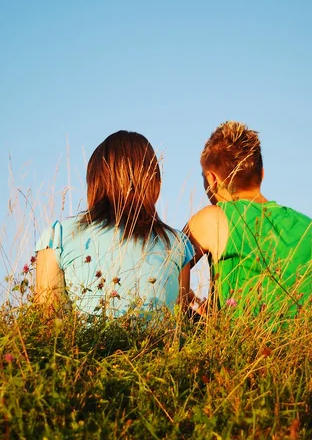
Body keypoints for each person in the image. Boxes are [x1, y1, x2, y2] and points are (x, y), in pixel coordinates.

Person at [184, 121, 312, 325]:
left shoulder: (214, 218)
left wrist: (189, 305)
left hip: (239, 352)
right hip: (309, 353)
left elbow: (164, 265)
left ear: (212, 180)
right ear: (261, 175)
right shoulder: (311, 228)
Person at [35, 131, 194, 318]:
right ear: (154, 183)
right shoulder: (177, 243)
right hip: (157, 347)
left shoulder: (58, 236)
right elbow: (178, 320)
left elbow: (48, 320)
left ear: (95, 181)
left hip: (85, 347)